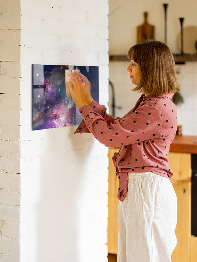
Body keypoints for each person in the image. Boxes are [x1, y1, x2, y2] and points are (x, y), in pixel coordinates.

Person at [67, 40, 179, 262]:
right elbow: (118, 129)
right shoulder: (152, 102)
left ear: (150, 68)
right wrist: (88, 100)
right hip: (142, 189)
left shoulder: (156, 107)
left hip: (147, 191)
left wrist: (82, 104)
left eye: (134, 63)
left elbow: (110, 137)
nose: (128, 68)